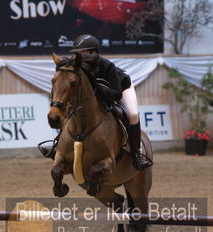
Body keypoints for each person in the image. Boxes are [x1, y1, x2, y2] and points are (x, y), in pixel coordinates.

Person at [40, 34, 152, 170]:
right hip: (95, 96)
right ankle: (57, 146)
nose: (78, 55)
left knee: (133, 114)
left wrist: (97, 89)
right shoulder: (75, 64)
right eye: (77, 52)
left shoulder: (107, 66)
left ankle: (136, 154)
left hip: (121, 88)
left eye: (82, 52)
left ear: (93, 52)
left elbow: (116, 93)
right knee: (68, 110)